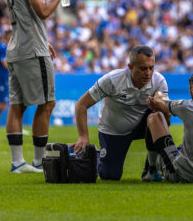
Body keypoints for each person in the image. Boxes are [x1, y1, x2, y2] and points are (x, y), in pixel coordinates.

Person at [5, 0, 71, 173]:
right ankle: (39, 161)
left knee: (17, 104)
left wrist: (45, 39)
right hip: (32, 51)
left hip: (17, 48)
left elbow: (25, 17)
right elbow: (42, 11)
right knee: (47, 103)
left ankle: (16, 163)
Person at [72, 45, 169, 181]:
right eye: (143, 68)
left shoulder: (158, 81)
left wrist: (161, 103)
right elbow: (81, 105)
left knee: (161, 116)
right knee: (110, 175)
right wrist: (83, 136)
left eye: (151, 68)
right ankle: (96, 155)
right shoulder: (112, 80)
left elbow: (166, 110)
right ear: (130, 67)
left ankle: (151, 170)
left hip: (142, 126)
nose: (148, 73)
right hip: (114, 131)